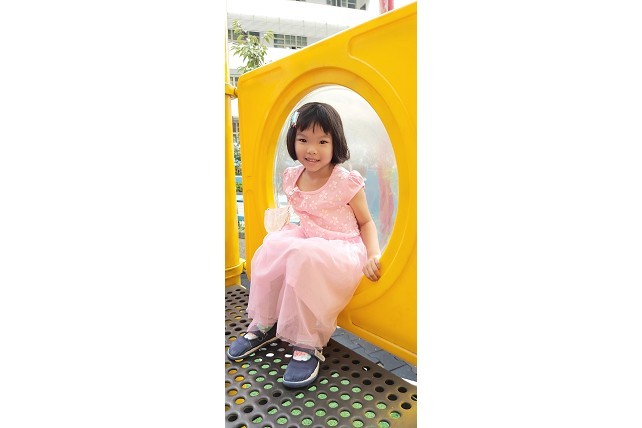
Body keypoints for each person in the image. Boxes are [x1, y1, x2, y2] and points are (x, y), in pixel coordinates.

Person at [226, 102, 382, 388]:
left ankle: (308, 344)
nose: (312, 149)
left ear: (335, 143)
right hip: (308, 239)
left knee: (303, 257)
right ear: (293, 140)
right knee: (271, 247)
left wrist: (373, 253)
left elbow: (367, 222)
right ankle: (264, 323)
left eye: (322, 141)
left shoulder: (345, 182)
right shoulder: (293, 177)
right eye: (303, 140)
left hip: (341, 247)